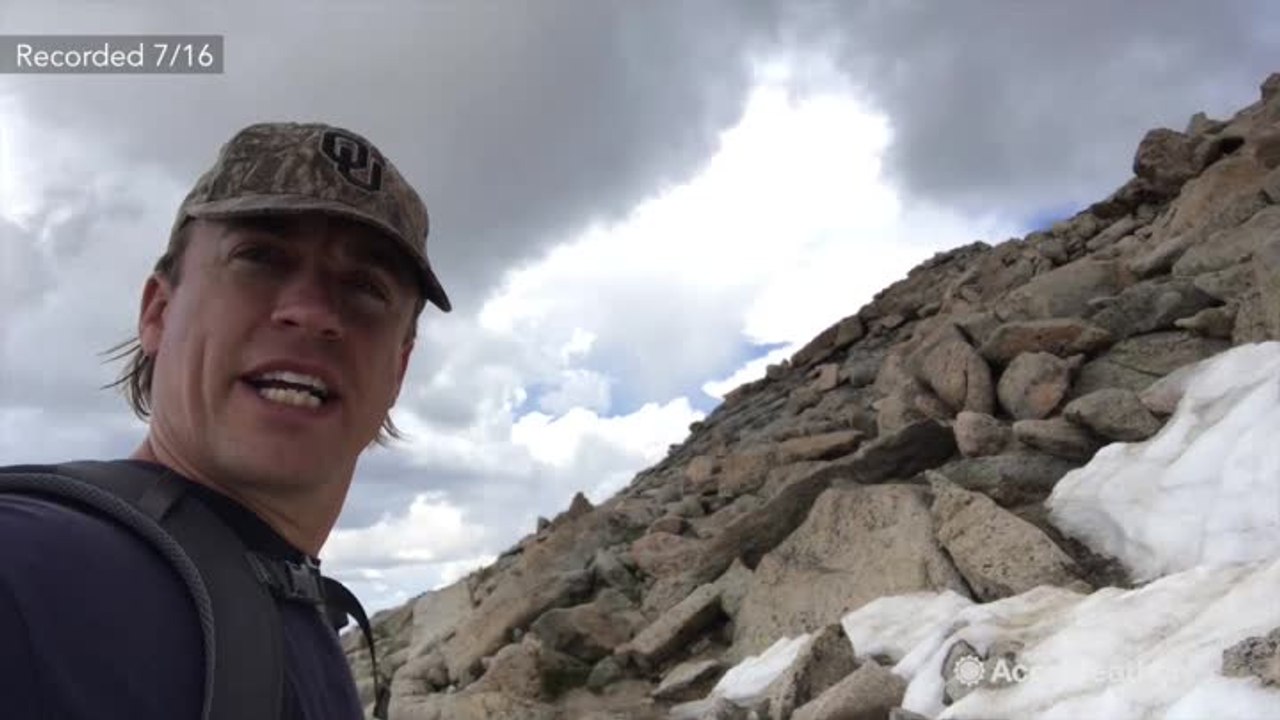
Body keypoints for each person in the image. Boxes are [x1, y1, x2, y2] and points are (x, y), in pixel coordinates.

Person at [0, 122, 451, 719]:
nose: (313, 313)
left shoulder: (299, 609)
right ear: (158, 311)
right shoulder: (24, 567)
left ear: (400, 367)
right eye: (260, 257)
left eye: (365, 287)